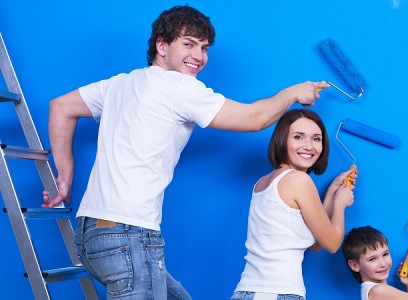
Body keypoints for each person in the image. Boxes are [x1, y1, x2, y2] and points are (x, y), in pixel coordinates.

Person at [41, 5, 329, 299]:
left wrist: (64, 176)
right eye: (188, 44)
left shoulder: (120, 84)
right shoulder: (180, 88)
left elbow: (61, 107)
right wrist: (293, 93)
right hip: (130, 236)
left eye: (204, 48)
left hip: (91, 236)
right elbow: (254, 119)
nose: (199, 56)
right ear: (161, 45)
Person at [231, 109, 357, 300]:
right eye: (298, 137)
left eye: (316, 139)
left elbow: (315, 243)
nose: (309, 146)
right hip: (278, 292)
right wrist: (340, 204)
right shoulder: (299, 181)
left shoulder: (263, 183)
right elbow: (331, 244)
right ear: (282, 140)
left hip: (248, 292)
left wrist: (332, 193)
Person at [342, 226, 408, 300]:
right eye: (372, 259)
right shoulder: (379, 291)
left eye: (385, 254)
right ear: (355, 265)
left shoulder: (372, 290)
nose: (383, 264)